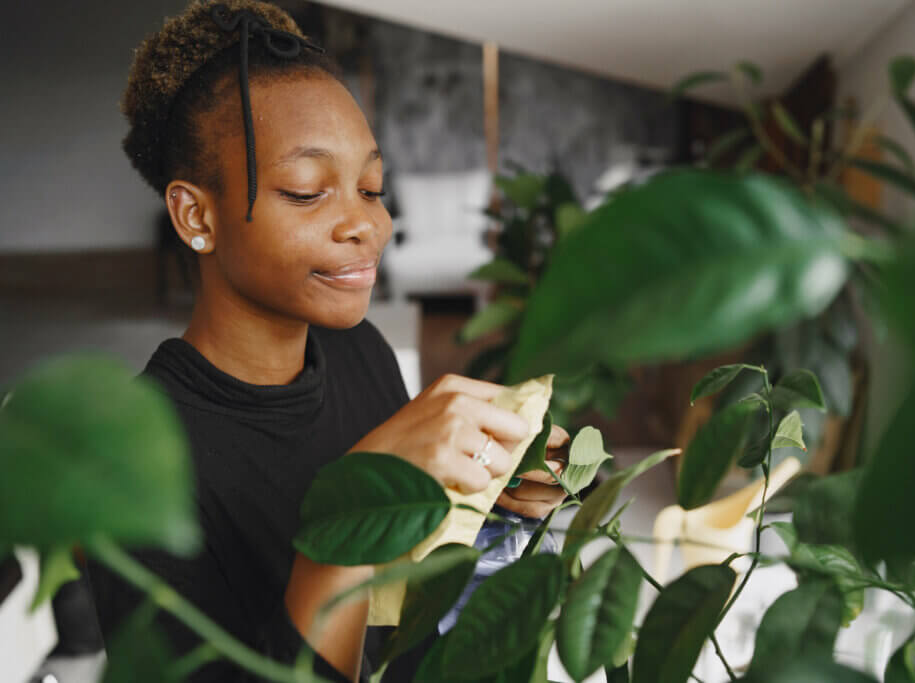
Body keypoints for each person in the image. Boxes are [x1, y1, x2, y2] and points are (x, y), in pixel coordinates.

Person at [85, 1, 570, 681]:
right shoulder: (130, 466)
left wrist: (487, 496)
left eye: (372, 187)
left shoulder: (359, 350)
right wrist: (352, 510)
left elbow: (400, 598)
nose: (367, 225)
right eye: (308, 191)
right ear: (196, 214)